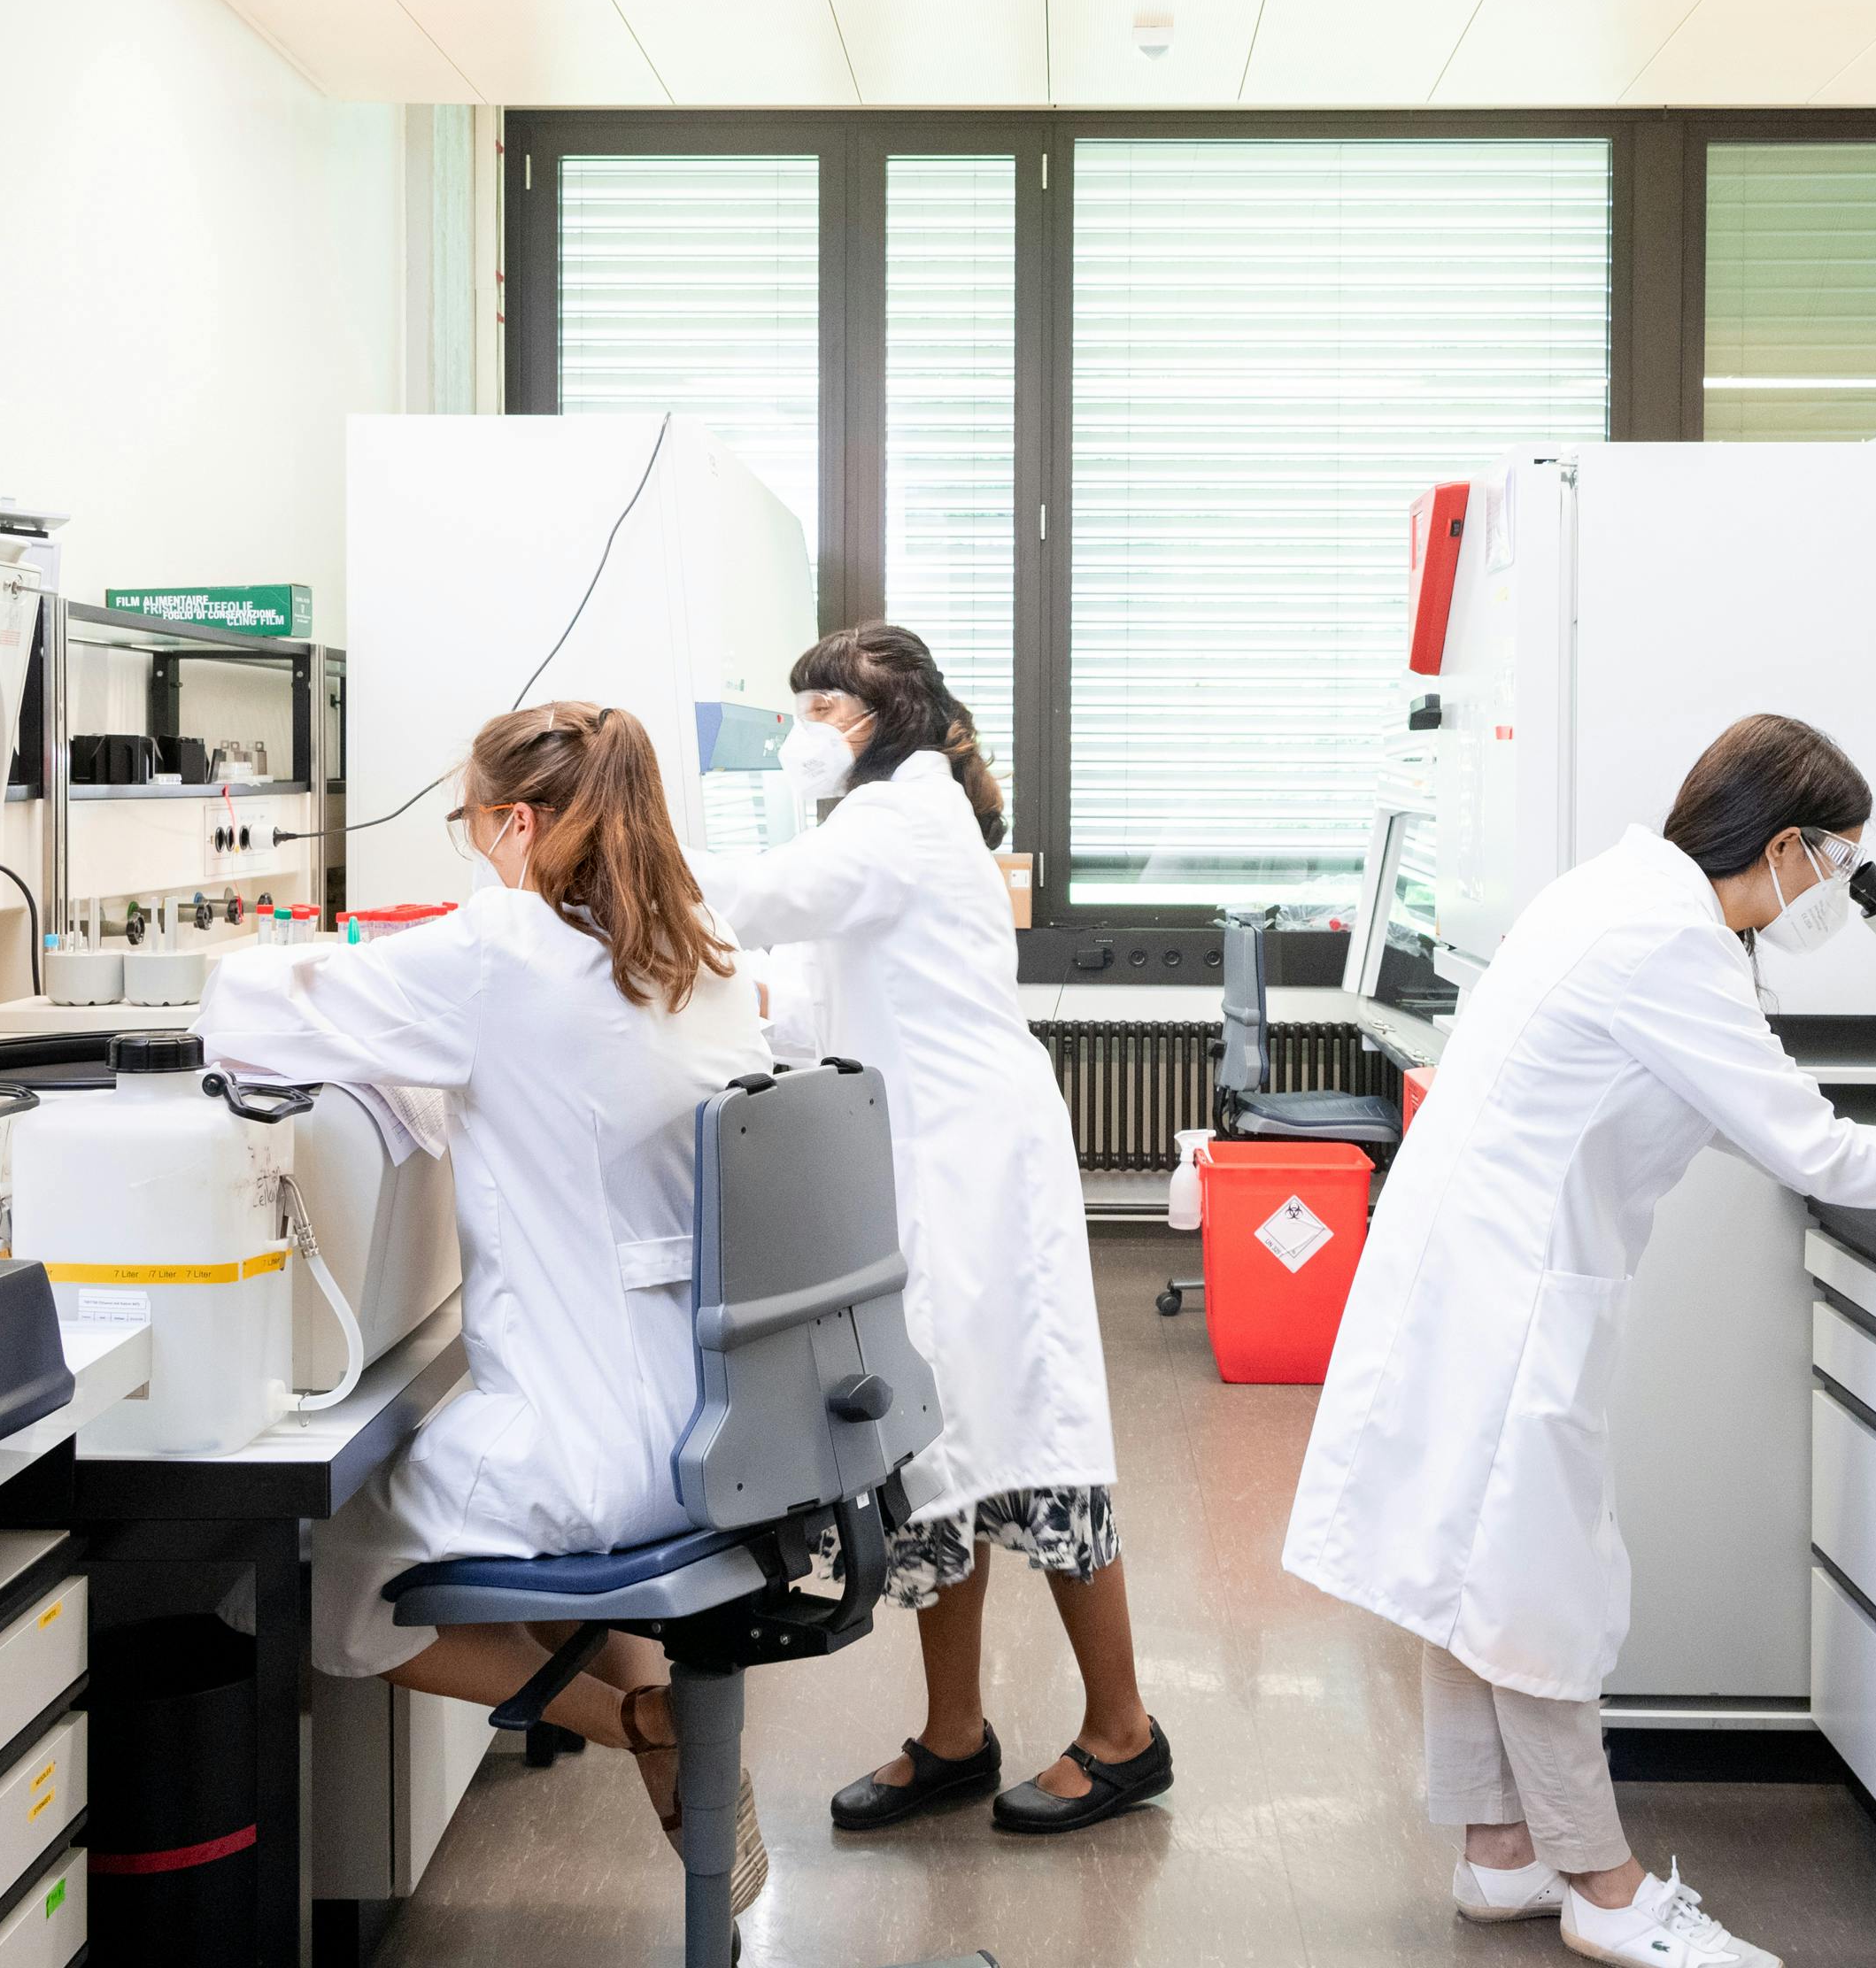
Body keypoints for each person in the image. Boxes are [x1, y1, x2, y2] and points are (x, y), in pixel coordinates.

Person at [1281, 714, 1876, 1968]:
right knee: (1530, 1598)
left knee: (1470, 1578)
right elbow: (1809, 1145)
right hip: (1503, 1298)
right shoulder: (1671, 942)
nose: (1832, 892)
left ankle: (1499, 1855)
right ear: (1784, 845)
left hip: (1468, 1273)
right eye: (1833, 864)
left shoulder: (1623, 892)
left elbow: (1727, 1106)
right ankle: (1605, 1893)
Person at [195, 701, 776, 1910]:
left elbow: (253, 1013)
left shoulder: (501, 950)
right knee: (551, 1524)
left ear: (515, 822)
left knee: (335, 1597)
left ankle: (644, 1726)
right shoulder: (699, 948)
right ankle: (669, 1725)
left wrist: (289, 951)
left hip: (586, 1447)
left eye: (472, 827)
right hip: (727, 1432)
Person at [708, 623, 1170, 1837]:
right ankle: (956, 1736)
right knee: (933, 1445)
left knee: (1036, 1432)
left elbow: (757, 902)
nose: (801, 733)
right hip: (932, 1165)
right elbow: (811, 991)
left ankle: (1125, 1734)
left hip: (981, 1173)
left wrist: (617, 857)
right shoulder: (877, 825)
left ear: (883, 720)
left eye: (819, 711)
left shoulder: (898, 819)